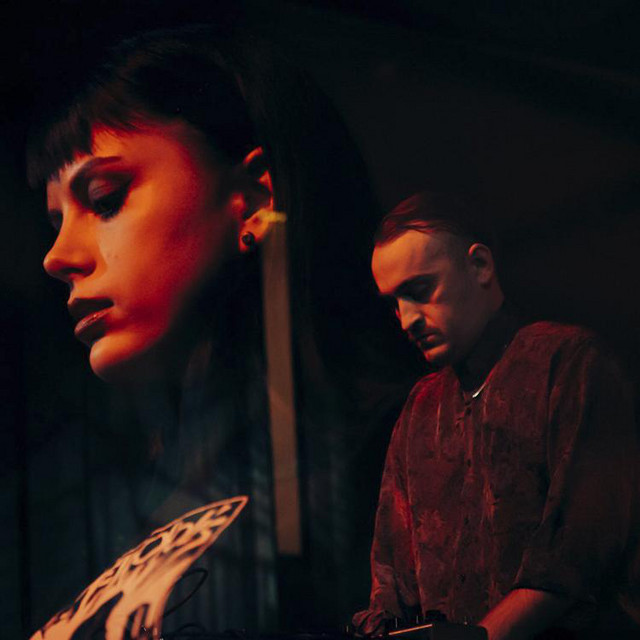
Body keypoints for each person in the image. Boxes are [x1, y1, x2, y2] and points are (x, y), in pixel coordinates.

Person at [27, 24, 378, 635]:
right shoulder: (101, 523)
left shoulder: (396, 451)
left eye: (105, 199)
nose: (57, 257)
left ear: (254, 196)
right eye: (57, 222)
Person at [353, 191, 640, 639]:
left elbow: (580, 551)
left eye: (420, 291)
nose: (406, 320)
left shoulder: (569, 363)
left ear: (481, 265)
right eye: (394, 302)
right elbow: (391, 579)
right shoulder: (419, 409)